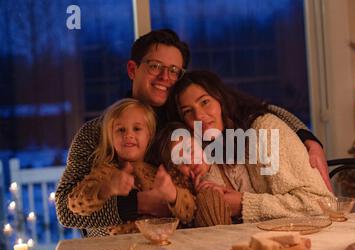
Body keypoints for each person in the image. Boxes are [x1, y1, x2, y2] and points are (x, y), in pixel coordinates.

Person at [56, 29, 330, 236]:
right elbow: (66, 212)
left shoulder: (185, 118)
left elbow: (253, 108)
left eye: (173, 70)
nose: (165, 76)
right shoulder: (96, 132)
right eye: (155, 66)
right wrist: (138, 203)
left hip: (180, 247)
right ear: (132, 69)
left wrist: (306, 135)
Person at [167, 70, 334, 222]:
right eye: (188, 111)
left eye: (204, 102)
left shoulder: (265, 130)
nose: (199, 116)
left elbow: (319, 204)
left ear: (221, 100)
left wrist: (243, 203)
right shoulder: (211, 149)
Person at [66, 98, 196, 236]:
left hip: (168, 246)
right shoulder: (105, 172)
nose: (128, 135)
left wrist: (173, 195)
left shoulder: (162, 172)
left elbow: (190, 212)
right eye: (121, 130)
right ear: (110, 137)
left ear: (149, 135)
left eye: (137, 129)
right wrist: (108, 188)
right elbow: (75, 204)